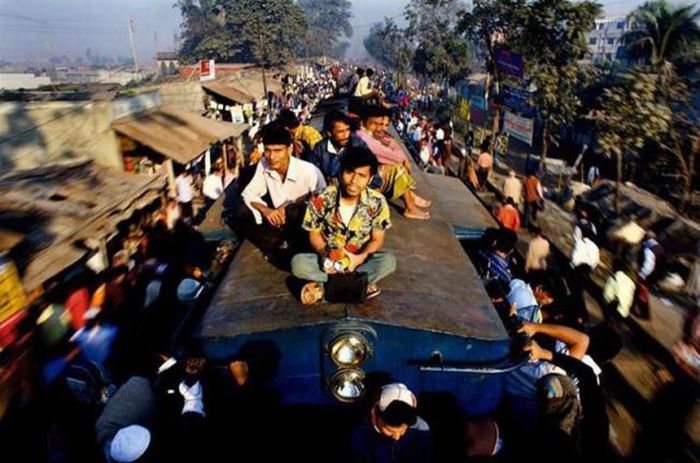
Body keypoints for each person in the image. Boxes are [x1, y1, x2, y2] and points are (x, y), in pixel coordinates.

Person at [291, 147, 396, 304]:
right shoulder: (323, 197)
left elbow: (377, 239)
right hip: (330, 259)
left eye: (361, 175)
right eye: (349, 172)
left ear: (370, 179)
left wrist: (359, 258)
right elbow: (314, 233)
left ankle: (325, 289)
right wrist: (323, 253)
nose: (354, 180)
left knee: (388, 261)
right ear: (340, 172)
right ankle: (359, 286)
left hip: (359, 258)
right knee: (298, 264)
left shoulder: (377, 201)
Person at [233, 124, 326, 262]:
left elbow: (323, 202)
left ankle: (294, 247)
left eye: (278, 151)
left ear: (290, 149)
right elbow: (249, 193)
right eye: (268, 150)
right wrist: (266, 210)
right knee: (241, 212)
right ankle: (277, 245)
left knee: (295, 211)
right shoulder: (264, 164)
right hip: (277, 221)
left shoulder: (309, 171)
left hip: (301, 222)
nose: (272, 156)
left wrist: (290, 206)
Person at [356, 105, 431, 220]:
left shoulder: (364, 134)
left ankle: (410, 196)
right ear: (363, 122)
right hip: (364, 183)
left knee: (394, 165)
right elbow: (397, 156)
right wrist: (399, 153)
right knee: (397, 168)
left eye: (381, 124)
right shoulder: (365, 139)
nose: (379, 128)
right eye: (374, 124)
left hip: (367, 177)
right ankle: (410, 208)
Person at [351, 383, 433, 463]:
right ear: (376, 415)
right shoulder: (361, 432)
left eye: (402, 431)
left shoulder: (421, 429)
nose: (396, 437)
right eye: (389, 431)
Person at [305, 110, 366, 181]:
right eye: (341, 132)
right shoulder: (320, 149)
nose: (346, 135)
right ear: (329, 133)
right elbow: (312, 174)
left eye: (348, 130)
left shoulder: (358, 144)